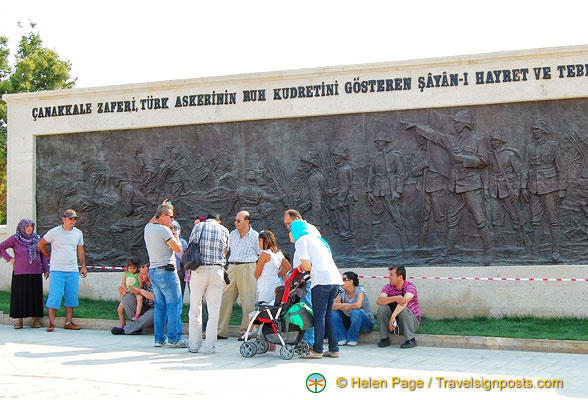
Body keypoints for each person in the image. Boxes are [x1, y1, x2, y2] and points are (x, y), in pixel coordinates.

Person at [407, 110, 492, 263]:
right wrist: (417, 126)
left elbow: (484, 160)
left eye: (457, 122)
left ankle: (488, 253)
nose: (455, 125)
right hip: (455, 186)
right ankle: (446, 255)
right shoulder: (452, 140)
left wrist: (464, 159)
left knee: (480, 219)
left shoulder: (477, 140)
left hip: (471, 186)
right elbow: (436, 136)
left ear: (465, 124)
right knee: (452, 222)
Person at [290, 220, 343, 359]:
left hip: (321, 281)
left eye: (290, 230)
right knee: (328, 316)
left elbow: (307, 267)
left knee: (319, 317)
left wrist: (303, 268)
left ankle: (317, 350)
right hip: (334, 280)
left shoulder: (301, 240)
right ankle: (334, 349)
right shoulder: (317, 240)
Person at [521, 119, 567, 262]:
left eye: (537, 129)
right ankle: (535, 252)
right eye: (534, 129)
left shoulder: (553, 146)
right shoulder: (530, 147)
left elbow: (561, 168)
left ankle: (556, 252)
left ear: (544, 131)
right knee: (535, 221)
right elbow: (524, 168)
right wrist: (523, 186)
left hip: (550, 187)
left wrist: (562, 189)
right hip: (533, 188)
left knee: (553, 220)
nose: (535, 132)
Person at [144, 203, 186, 347]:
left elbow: (152, 220)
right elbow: (178, 248)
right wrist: (176, 235)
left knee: (160, 306)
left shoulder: (148, 228)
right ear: (162, 216)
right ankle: (174, 338)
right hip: (167, 271)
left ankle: (159, 339)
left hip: (153, 271)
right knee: (175, 305)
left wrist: (161, 206)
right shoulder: (164, 231)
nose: (172, 220)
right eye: (170, 216)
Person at [38, 209, 87, 332]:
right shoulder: (54, 232)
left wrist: (83, 266)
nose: (73, 221)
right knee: (54, 296)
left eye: (74, 219)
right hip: (57, 270)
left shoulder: (78, 233)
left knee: (71, 297)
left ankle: (68, 322)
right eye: (70, 218)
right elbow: (41, 244)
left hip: (72, 270)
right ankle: (51, 323)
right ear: (63, 219)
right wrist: (48, 256)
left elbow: (80, 250)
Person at [187, 213, 229, 354]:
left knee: (195, 308)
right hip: (217, 270)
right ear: (218, 220)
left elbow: (191, 245)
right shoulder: (224, 230)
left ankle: (194, 345)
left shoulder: (198, 227)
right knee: (214, 311)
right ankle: (210, 347)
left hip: (199, 270)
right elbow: (225, 252)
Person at [217, 210, 261, 340]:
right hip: (232, 267)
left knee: (248, 301)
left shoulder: (255, 236)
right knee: (225, 299)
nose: (235, 223)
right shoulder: (232, 234)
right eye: (235, 220)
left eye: (238, 220)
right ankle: (221, 330)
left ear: (247, 222)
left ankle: (245, 331)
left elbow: (260, 254)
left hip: (248, 267)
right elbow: (226, 250)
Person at [0, 219, 49, 329]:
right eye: (27, 226)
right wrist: (9, 259)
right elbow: (1, 247)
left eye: (31, 226)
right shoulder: (15, 238)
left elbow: (42, 255)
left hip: (36, 272)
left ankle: (35, 321)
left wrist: (46, 269)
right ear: (22, 227)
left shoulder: (37, 238)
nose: (29, 228)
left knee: (35, 297)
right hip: (20, 272)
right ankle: (19, 321)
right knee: (20, 297)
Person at [376, 265, 421, 349]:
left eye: (391, 275)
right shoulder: (388, 287)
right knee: (382, 308)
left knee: (403, 310)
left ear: (400, 277)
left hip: (411, 324)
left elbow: (404, 302)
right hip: (393, 325)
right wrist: (395, 298)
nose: (389, 277)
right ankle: (384, 338)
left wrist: (393, 316)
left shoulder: (410, 287)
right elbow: (379, 301)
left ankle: (410, 340)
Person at [330, 271, 373, 346]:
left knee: (355, 312)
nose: (341, 282)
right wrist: (346, 304)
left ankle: (353, 338)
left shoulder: (360, 290)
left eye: (344, 279)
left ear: (351, 281)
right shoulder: (342, 291)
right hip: (350, 321)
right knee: (332, 312)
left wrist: (344, 307)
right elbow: (332, 306)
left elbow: (358, 305)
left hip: (365, 324)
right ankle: (341, 338)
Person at [111, 263, 155, 335]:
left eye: (143, 274)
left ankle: (126, 330)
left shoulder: (157, 284)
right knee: (128, 297)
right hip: (142, 308)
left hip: (153, 309)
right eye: (140, 273)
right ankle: (136, 327)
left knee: (153, 314)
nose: (140, 276)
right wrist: (124, 293)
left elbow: (155, 298)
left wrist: (140, 291)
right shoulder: (140, 282)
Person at [255, 230, 291, 303]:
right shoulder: (279, 253)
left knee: (263, 307)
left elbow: (257, 273)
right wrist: (277, 275)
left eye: (260, 241)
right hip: (276, 284)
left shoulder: (264, 254)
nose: (259, 244)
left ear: (265, 242)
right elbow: (288, 267)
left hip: (265, 287)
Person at [116, 256, 142, 328]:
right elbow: (123, 283)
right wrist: (125, 290)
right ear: (127, 267)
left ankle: (137, 315)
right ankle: (123, 325)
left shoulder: (138, 275)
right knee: (119, 309)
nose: (132, 270)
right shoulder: (125, 273)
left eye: (134, 268)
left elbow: (141, 285)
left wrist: (136, 289)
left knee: (140, 298)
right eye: (130, 268)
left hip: (135, 291)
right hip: (127, 292)